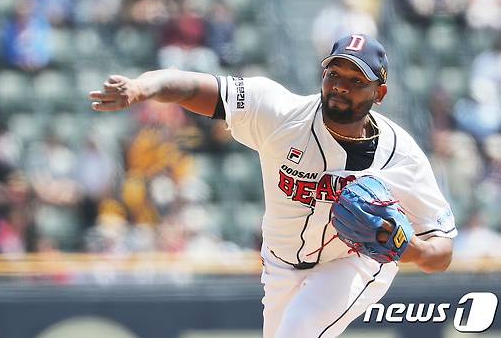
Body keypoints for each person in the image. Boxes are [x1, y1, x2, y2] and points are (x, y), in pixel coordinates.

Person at [89, 33, 457, 337]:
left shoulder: (401, 155)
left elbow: (443, 250)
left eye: (356, 81)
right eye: (334, 74)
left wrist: (413, 251)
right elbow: (191, 87)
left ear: (380, 93)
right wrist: (143, 87)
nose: (341, 87)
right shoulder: (279, 112)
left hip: (353, 262)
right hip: (280, 264)